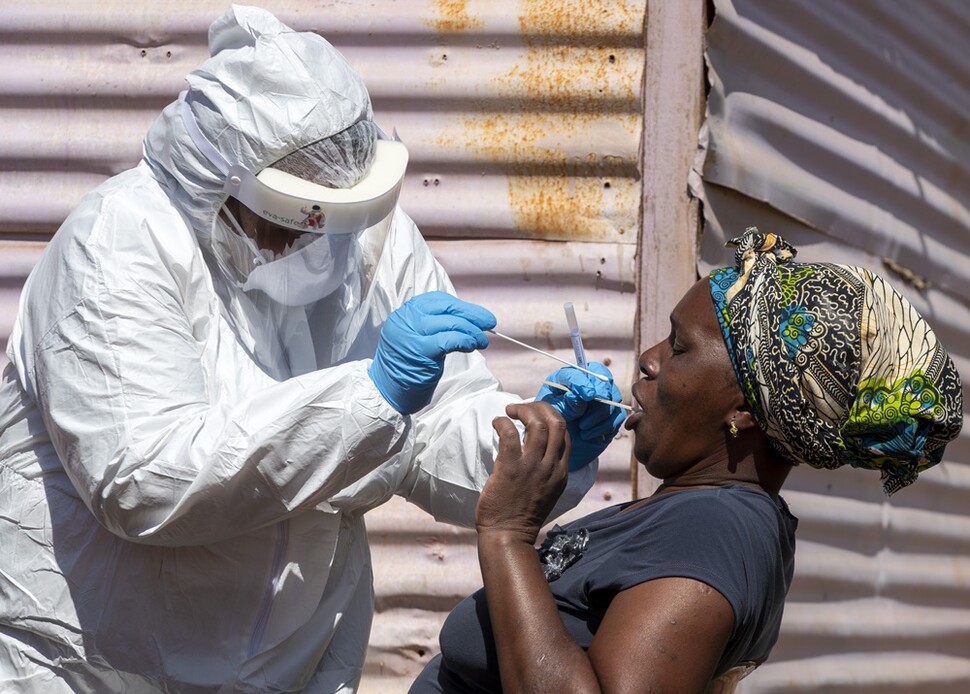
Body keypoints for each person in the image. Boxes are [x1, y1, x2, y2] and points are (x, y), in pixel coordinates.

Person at [0, 6, 626, 693]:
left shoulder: (366, 238)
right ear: (218, 184)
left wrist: (535, 445)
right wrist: (370, 398)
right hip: (98, 669)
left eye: (338, 219)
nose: (317, 248)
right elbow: (144, 480)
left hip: (291, 667)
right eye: (292, 221)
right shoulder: (119, 243)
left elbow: (436, 430)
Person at [410, 227, 964, 693]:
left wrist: (508, 533)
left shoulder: (713, 529)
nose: (648, 361)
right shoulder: (702, 512)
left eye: (678, 347)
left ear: (745, 409)